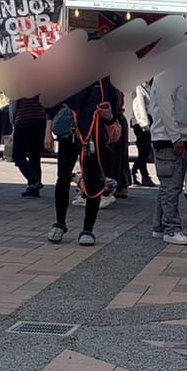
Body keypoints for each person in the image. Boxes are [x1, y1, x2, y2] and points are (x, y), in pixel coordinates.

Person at [49, 76, 122, 247]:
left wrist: (109, 115)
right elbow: (52, 105)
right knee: (63, 177)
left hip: (94, 137)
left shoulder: (106, 81)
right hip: (69, 135)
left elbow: (114, 112)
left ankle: (88, 229)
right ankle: (60, 223)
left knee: (94, 181)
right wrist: (48, 131)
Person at [149, 75, 187, 246]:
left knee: (168, 186)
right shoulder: (166, 75)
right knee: (171, 187)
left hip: (174, 138)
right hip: (169, 139)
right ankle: (172, 229)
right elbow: (166, 110)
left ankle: (160, 226)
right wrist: (176, 137)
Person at [10, 91, 48, 197]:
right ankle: (34, 189)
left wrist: (14, 123)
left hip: (24, 120)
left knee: (17, 156)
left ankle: (34, 180)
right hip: (40, 121)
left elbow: (13, 105)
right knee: (34, 156)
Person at [129, 81, 156, 187]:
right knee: (144, 151)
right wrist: (144, 124)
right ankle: (142, 175)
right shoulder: (139, 87)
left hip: (148, 121)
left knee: (145, 151)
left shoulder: (149, 87)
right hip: (141, 122)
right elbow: (139, 106)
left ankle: (137, 172)